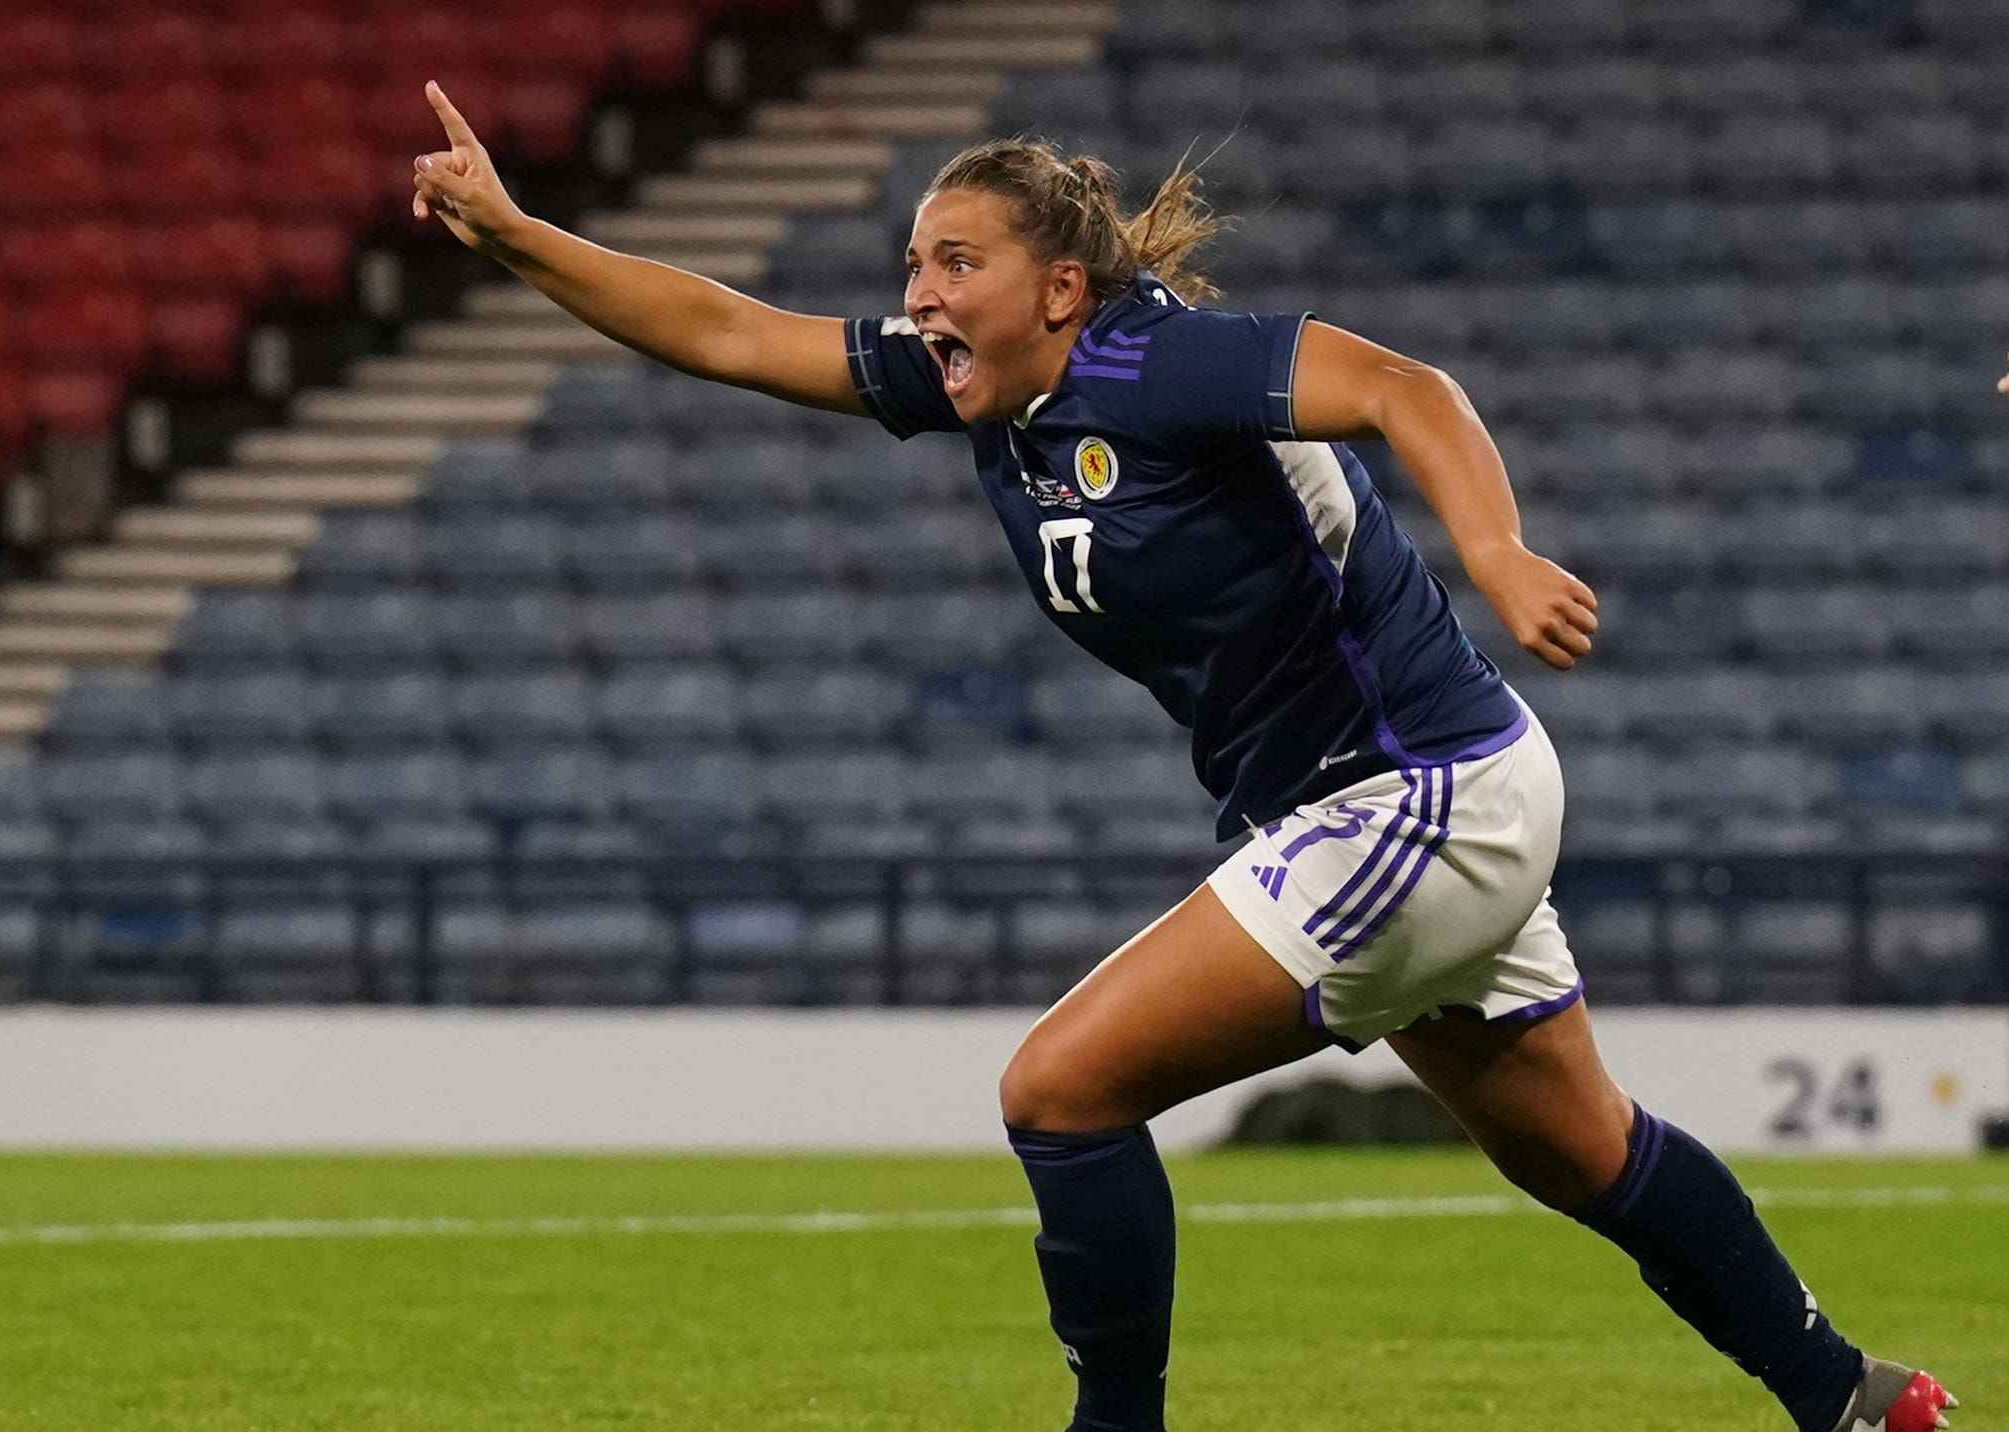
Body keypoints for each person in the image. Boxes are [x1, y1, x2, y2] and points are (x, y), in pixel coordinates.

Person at [408, 81, 1958, 1432]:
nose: (921, 295)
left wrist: (1493, 548)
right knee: (1581, 1153)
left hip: (1416, 791)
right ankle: (1848, 1396)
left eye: (959, 263)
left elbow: (1402, 389)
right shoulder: (984, 398)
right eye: (913, 265)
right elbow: (730, 330)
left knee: (1060, 1087)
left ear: (1064, 288)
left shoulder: (1159, 370)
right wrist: (516, 232)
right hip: (1390, 800)